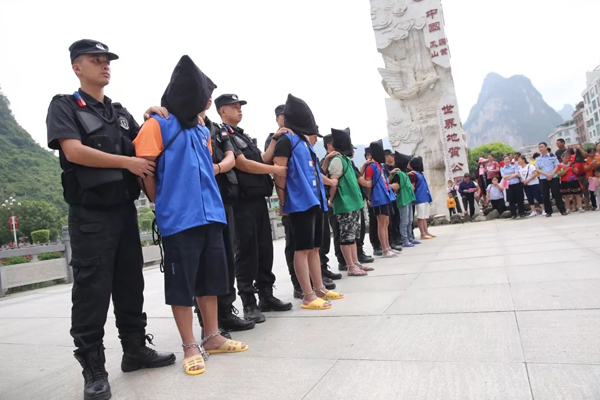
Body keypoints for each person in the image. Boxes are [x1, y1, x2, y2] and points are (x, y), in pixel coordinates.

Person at [46, 39, 175, 399]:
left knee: (130, 284)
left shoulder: (118, 112)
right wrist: (127, 163)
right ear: (77, 67)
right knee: (92, 291)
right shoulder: (64, 106)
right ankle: (93, 369)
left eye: (107, 61)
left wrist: (150, 118)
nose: (105, 66)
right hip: (90, 216)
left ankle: (135, 349)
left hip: (123, 211)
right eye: (96, 60)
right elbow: (74, 151)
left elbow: (144, 145)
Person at [135, 56, 249, 376]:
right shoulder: (157, 123)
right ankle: (189, 345)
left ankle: (212, 336)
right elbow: (145, 170)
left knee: (210, 279)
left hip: (211, 214)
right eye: (204, 95)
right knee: (182, 283)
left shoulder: (202, 128)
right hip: (179, 219)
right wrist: (162, 202)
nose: (208, 101)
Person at [215, 94, 292, 323]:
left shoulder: (242, 136)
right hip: (241, 201)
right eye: (234, 107)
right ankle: (249, 302)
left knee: (264, 249)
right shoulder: (223, 134)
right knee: (247, 251)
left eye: (240, 107)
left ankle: (266, 295)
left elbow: (263, 159)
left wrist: (275, 139)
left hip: (258, 199)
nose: (239, 110)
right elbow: (243, 164)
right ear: (222, 111)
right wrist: (276, 171)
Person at [272, 94, 344, 309]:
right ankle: (307, 294)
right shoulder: (286, 140)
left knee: (314, 247)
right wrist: (283, 203)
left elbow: (314, 172)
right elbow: (279, 173)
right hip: (299, 202)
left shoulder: (305, 142)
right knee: (301, 249)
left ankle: (319, 288)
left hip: (315, 200)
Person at [199, 97, 255, 334]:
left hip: (224, 198)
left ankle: (225, 311)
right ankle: (208, 322)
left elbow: (231, 157)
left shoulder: (217, 129)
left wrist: (219, 167)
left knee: (226, 259)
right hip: (201, 202)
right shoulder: (183, 125)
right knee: (206, 263)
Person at [327, 128, 371, 276]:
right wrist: (331, 199)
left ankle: (355, 262)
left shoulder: (346, 160)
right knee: (346, 236)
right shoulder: (337, 160)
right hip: (345, 204)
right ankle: (350, 266)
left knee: (353, 236)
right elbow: (334, 182)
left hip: (354, 203)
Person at [366, 140, 398, 256]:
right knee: (381, 223)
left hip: (386, 196)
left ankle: (388, 247)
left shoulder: (381, 166)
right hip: (378, 197)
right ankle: (384, 249)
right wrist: (369, 198)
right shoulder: (371, 166)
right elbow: (369, 184)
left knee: (386, 222)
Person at [390, 152, 419, 247]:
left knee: (410, 220)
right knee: (404, 220)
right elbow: (396, 187)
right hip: (403, 200)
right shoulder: (398, 174)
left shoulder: (404, 173)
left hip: (408, 199)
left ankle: (410, 238)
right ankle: (404, 239)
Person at [536, 142, 567, 217]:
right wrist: (547, 174)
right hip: (543, 178)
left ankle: (562, 210)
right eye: (539, 147)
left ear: (546, 147)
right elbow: (537, 169)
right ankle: (548, 211)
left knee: (557, 194)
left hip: (553, 177)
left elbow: (556, 166)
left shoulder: (552, 156)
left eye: (542, 147)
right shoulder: (538, 158)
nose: (540, 148)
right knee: (545, 195)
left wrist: (552, 174)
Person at [409, 156, 435, 239]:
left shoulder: (419, 174)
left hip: (425, 197)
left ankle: (426, 231)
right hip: (419, 197)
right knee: (420, 217)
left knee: (424, 216)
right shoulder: (413, 174)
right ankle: (422, 233)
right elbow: (412, 186)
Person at [363, 147, 382, 256]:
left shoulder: (378, 166)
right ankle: (376, 245)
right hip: (372, 197)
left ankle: (383, 243)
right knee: (374, 222)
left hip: (380, 197)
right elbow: (367, 183)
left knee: (382, 222)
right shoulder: (368, 167)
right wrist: (369, 198)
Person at [384, 149, 402, 250]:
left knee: (396, 218)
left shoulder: (395, 167)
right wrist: (391, 176)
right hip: (388, 197)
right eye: (391, 155)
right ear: (386, 156)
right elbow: (384, 182)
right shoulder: (384, 168)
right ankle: (391, 241)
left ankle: (397, 237)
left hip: (395, 196)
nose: (393, 157)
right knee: (389, 221)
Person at [501, 155, 525, 219]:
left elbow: (517, 173)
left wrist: (509, 176)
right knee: (511, 200)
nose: (507, 160)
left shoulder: (514, 166)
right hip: (509, 185)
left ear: (510, 160)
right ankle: (513, 214)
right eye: (505, 159)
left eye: (508, 159)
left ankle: (521, 213)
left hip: (516, 184)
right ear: (503, 161)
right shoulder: (502, 168)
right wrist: (512, 174)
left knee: (520, 199)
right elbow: (504, 177)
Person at [583, 146, 600, 210]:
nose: (592, 154)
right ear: (588, 153)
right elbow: (585, 169)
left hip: (598, 177)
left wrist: (597, 164)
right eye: (591, 153)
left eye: (594, 152)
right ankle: (594, 205)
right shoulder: (586, 160)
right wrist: (591, 164)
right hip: (590, 178)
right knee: (592, 192)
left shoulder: (598, 158)